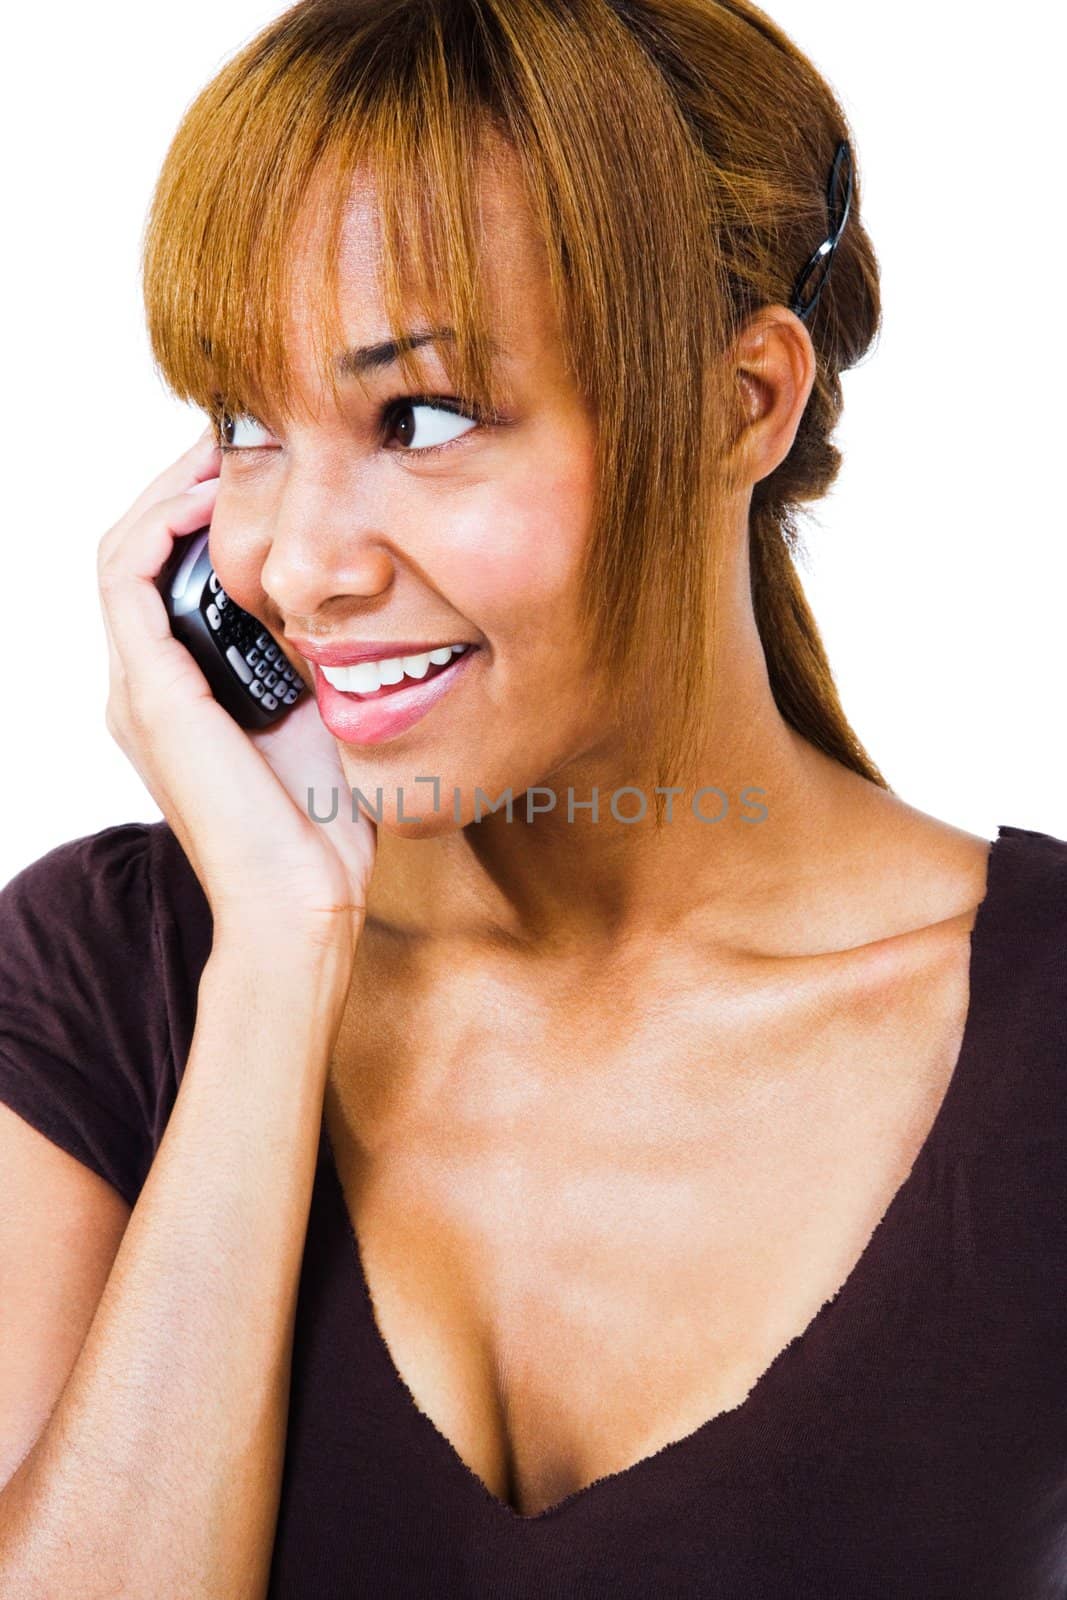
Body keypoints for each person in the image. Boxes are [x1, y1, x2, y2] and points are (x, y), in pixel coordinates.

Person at [1, 0, 1065, 1594]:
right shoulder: (114, 973)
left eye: (419, 420)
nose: (296, 563)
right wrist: (280, 954)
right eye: (245, 426)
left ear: (742, 403)